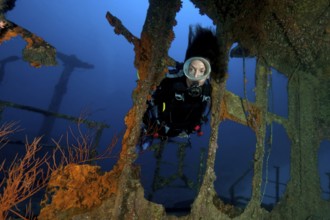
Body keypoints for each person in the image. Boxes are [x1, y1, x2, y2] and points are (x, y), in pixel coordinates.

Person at [138, 25, 220, 152]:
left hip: (182, 132)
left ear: (209, 74)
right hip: (157, 128)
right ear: (185, 67)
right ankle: (147, 138)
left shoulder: (209, 91)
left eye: (202, 71)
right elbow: (147, 87)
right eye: (191, 69)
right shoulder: (169, 81)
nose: (196, 77)